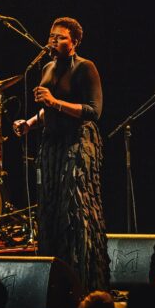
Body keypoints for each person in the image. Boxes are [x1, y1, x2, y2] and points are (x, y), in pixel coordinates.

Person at [12, 17, 110, 292]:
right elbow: (49, 109)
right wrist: (30, 123)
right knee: (52, 209)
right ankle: (54, 284)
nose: (53, 41)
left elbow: (94, 111)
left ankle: (84, 282)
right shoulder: (46, 67)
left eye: (61, 37)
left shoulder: (85, 68)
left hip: (77, 143)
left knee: (74, 210)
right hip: (52, 144)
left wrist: (54, 101)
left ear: (75, 42)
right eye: (52, 36)